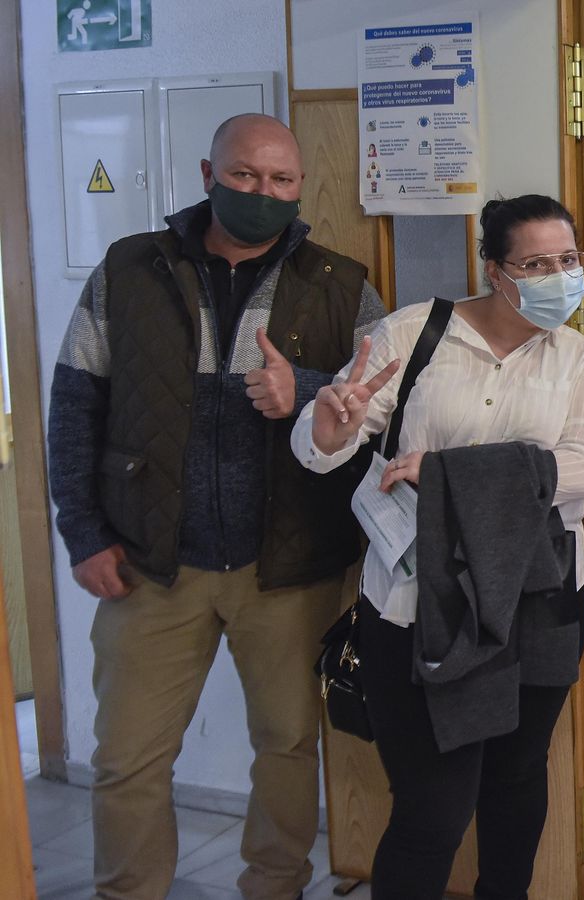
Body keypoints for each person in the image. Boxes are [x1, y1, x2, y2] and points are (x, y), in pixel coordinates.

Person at [46, 113, 386, 899]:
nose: (263, 194)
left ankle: (274, 887)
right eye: (244, 176)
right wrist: (83, 532)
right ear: (207, 174)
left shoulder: (342, 284)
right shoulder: (129, 270)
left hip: (291, 568)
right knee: (126, 757)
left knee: (289, 746)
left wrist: (300, 391)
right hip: (149, 565)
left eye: (281, 181)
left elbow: (383, 409)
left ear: (300, 187)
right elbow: (73, 409)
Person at [290, 194, 584, 897]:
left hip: (540, 598)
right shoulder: (416, 333)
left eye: (569, 260)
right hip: (415, 605)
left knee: (518, 781)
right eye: (535, 263)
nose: (558, 276)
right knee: (433, 807)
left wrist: (444, 475)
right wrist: (328, 432)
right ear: (495, 269)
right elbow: (327, 441)